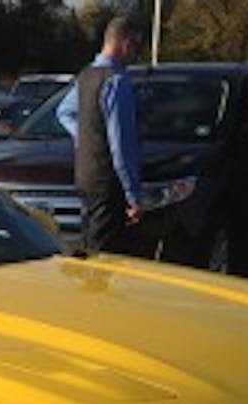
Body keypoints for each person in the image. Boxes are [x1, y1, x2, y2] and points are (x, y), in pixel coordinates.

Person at [57, 15, 144, 254]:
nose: (135, 54)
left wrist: (85, 138)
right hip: (108, 185)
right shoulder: (116, 82)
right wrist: (133, 196)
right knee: (104, 260)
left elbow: (64, 112)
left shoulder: (85, 76)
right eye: (136, 46)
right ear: (125, 43)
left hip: (85, 177)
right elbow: (121, 147)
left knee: (89, 247)